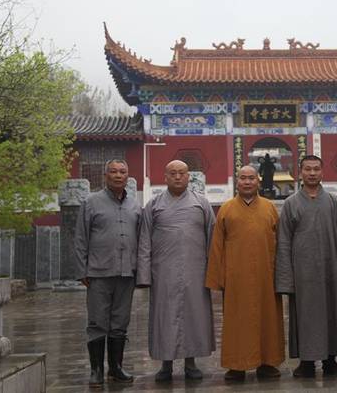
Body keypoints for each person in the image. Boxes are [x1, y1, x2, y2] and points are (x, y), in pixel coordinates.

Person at [275, 155, 337, 378]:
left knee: (333, 313)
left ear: (322, 172)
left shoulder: (333, 202)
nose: (312, 173)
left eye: (316, 169)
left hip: (330, 269)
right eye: (307, 169)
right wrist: (285, 278)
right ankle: (306, 362)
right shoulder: (291, 203)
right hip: (302, 273)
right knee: (303, 316)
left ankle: (331, 360)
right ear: (300, 172)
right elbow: (283, 242)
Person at [136, 160, 216, 382]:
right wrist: (144, 276)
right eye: (173, 173)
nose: (178, 177)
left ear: (188, 176)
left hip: (196, 270)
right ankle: (165, 364)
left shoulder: (201, 203)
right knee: (164, 317)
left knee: (194, 317)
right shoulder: (154, 205)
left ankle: (191, 362)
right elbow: (144, 242)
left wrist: (214, 272)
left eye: (182, 173)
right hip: (163, 272)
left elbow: (213, 239)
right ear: (165, 176)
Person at [206, 165, 285, 381]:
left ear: (258, 181)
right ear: (237, 182)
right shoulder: (227, 209)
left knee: (268, 319)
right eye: (243, 178)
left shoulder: (269, 208)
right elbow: (217, 245)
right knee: (236, 322)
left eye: (251, 178)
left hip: (266, 275)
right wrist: (218, 277)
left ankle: (268, 363)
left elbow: (280, 244)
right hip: (236, 276)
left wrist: (282, 275)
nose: (247, 182)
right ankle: (236, 365)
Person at [74, 159, 141, 387]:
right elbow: (81, 238)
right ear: (105, 175)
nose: (118, 175)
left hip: (126, 273)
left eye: (123, 171)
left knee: (120, 321)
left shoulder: (135, 205)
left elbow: (141, 239)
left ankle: (115, 368)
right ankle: (96, 370)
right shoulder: (91, 202)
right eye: (113, 171)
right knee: (97, 321)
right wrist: (81, 270)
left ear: (128, 176)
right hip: (98, 272)